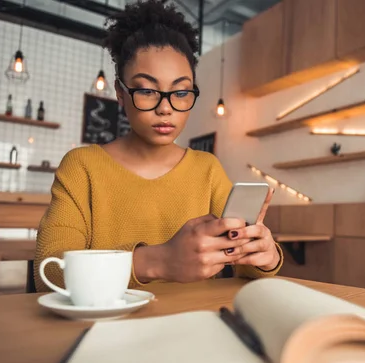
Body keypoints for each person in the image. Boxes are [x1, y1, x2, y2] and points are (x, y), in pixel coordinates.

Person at [33, 0, 283, 292]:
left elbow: (246, 267)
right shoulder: (82, 167)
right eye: (148, 90)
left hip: (194, 327)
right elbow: (49, 272)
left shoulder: (207, 170)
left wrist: (265, 256)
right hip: (106, 331)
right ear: (120, 93)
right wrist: (159, 261)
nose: (166, 108)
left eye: (180, 92)